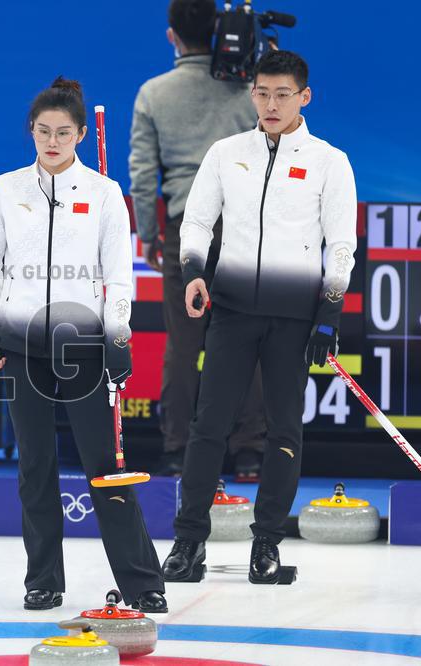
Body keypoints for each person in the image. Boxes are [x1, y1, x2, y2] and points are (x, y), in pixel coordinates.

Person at [0, 77, 166, 613]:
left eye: (62, 132)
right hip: (23, 344)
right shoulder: (5, 188)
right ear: (30, 132)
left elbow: (119, 276)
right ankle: (43, 580)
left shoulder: (104, 195)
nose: (52, 141)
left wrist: (119, 337)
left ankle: (141, 582)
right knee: (35, 464)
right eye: (42, 132)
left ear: (81, 133)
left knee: (106, 464)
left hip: (84, 347)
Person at [162, 50, 357, 583]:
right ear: (252, 93)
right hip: (232, 311)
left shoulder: (329, 161)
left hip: (294, 320)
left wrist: (329, 310)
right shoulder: (226, 153)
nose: (271, 104)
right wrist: (195, 270)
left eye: (283, 94)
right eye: (263, 93)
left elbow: (341, 243)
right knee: (209, 428)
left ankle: (267, 544)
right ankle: (187, 543)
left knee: (283, 430)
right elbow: (197, 220)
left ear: (304, 97)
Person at [129, 0, 267, 479]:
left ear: (172, 36)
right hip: (243, 230)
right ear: (221, 30)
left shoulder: (152, 94)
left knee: (183, 345)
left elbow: (143, 176)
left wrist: (149, 234)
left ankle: (176, 451)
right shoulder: (248, 89)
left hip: (184, 231)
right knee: (246, 341)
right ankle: (249, 452)